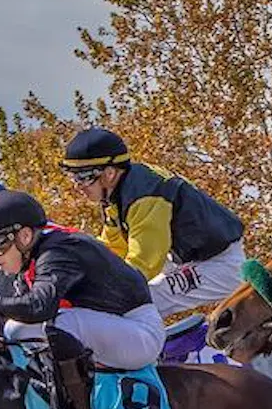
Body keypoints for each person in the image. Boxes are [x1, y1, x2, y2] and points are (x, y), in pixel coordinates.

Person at [0, 188, 162, 409]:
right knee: (14, 328)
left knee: (60, 323)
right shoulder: (36, 255)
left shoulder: (57, 252)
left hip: (140, 334)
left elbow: (40, 307)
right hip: (117, 328)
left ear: (24, 235)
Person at [60, 127, 251, 328]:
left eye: (84, 177)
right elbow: (113, 247)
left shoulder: (144, 197)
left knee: (132, 302)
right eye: (73, 177)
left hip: (219, 266)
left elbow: (142, 264)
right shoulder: (118, 192)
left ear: (109, 173)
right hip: (190, 260)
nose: (77, 186)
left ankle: (146, 356)